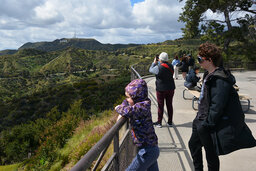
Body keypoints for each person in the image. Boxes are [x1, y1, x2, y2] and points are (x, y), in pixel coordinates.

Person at [188, 42, 256, 171]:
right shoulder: (208, 74)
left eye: (200, 59)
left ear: (210, 60)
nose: (199, 62)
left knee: (211, 154)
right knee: (193, 145)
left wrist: (207, 124)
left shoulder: (220, 79)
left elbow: (217, 105)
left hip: (206, 122)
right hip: (200, 119)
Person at [115, 79, 159, 171]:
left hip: (147, 151)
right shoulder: (139, 102)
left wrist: (118, 108)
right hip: (149, 148)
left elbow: (128, 111)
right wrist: (126, 103)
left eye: (129, 97)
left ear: (136, 97)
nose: (127, 99)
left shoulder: (142, 106)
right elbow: (126, 103)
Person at [149, 52, 175, 128]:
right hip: (170, 88)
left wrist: (154, 63)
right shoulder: (171, 66)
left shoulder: (158, 67)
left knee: (160, 106)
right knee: (169, 105)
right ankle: (170, 122)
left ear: (160, 59)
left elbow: (150, 70)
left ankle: (159, 122)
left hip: (161, 89)